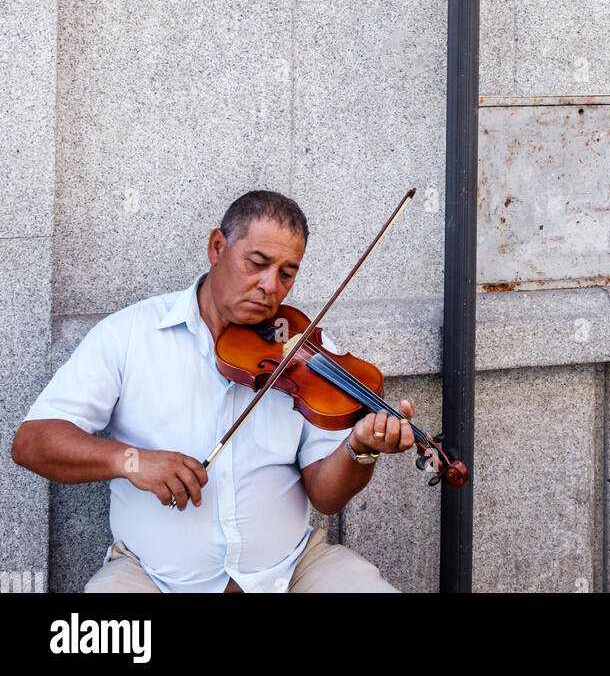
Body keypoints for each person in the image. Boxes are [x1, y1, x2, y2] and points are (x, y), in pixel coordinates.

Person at [11, 190, 417, 593]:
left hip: (290, 572)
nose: (270, 286)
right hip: (152, 579)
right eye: (257, 263)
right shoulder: (130, 334)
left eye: (287, 273)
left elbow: (326, 497)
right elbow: (33, 442)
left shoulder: (306, 353)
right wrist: (133, 461)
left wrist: (360, 450)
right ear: (217, 246)